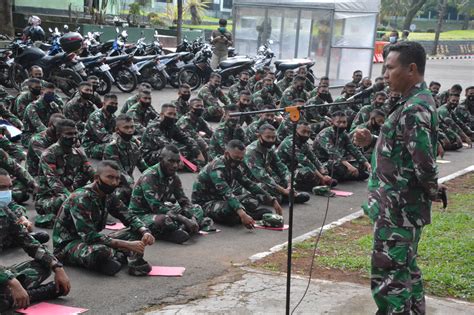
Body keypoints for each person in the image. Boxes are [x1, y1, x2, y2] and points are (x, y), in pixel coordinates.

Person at [353, 41, 442, 315]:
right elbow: (405, 150)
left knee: (389, 275)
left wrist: (431, 189)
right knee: (405, 269)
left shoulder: (414, 108)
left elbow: (424, 163)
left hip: (398, 211)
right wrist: (373, 142)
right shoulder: (412, 103)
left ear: (411, 69)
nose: (385, 75)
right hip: (401, 208)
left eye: (390, 68)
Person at [53, 161, 156, 276]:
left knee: (136, 233)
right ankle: (118, 256)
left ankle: (126, 260)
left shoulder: (108, 195)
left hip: (93, 240)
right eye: (110, 177)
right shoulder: (80, 198)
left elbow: (129, 216)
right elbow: (89, 236)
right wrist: (127, 245)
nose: (114, 182)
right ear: (97, 178)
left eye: (117, 179)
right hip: (68, 245)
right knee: (101, 251)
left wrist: (144, 231)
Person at [0, 169, 71, 313]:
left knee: (43, 265)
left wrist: (57, 267)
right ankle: (34, 294)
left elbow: (29, 242)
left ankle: (14, 295)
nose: (6, 192)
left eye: (9, 187)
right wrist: (12, 281)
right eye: (1, 188)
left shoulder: (4, 211)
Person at [130, 145, 212, 244]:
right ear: (161, 160)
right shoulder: (150, 176)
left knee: (197, 208)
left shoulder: (174, 176)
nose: (175, 165)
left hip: (164, 209)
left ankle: (180, 229)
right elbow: (156, 207)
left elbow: (183, 201)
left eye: (177, 162)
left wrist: (193, 217)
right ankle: (175, 231)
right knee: (164, 220)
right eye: (171, 161)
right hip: (142, 214)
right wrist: (185, 219)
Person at [192, 140, 283, 228]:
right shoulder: (216, 168)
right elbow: (226, 193)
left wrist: (272, 199)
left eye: (241, 158)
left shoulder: (233, 165)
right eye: (236, 158)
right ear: (227, 154)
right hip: (205, 203)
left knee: (252, 200)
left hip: (221, 199)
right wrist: (242, 214)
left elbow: (249, 184)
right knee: (229, 210)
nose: (239, 160)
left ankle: (244, 216)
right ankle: (243, 216)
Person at [35, 119, 94, 228]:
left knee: (90, 196)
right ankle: (46, 219)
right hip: (48, 199)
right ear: (58, 135)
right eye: (69, 134)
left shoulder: (78, 153)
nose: (73, 136)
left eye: (75, 133)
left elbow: (91, 172)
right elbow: (54, 182)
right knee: (67, 201)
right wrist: (73, 197)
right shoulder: (49, 154)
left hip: (70, 191)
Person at [244, 124, 310, 203]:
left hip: (263, 178)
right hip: (247, 181)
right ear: (259, 136)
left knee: (284, 180)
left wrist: (289, 184)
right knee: (266, 187)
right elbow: (262, 176)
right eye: (268, 137)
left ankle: (286, 196)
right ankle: (283, 197)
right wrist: (283, 190)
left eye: (273, 137)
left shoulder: (269, 148)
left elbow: (281, 166)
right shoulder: (251, 152)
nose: (271, 140)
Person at [276, 122, 336, 193]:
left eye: (308, 132)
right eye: (303, 132)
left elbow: (313, 158)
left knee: (322, 170)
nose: (306, 135)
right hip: (282, 172)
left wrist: (323, 172)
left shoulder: (303, 143)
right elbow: (305, 161)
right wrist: (322, 177)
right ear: (296, 131)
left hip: (293, 168)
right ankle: (314, 186)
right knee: (307, 172)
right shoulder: (289, 143)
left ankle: (318, 182)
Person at [103, 114, 148, 204]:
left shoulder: (134, 146)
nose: (130, 130)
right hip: (114, 186)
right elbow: (120, 172)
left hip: (129, 185)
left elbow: (144, 167)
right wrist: (135, 187)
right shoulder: (111, 147)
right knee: (121, 198)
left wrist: (156, 176)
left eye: (132, 127)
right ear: (117, 130)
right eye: (126, 127)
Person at [141, 103, 204, 168]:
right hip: (148, 156)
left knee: (189, 147)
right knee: (168, 153)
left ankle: (182, 164)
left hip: (163, 149)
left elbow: (185, 138)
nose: (172, 116)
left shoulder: (171, 124)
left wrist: (198, 152)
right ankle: (179, 165)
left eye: (174, 114)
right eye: (169, 114)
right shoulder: (153, 127)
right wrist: (179, 158)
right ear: (162, 115)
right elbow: (167, 145)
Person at [313, 111, 371, 181]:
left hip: (339, 160)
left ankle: (347, 174)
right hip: (323, 162)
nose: (342, 125)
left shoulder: (343, 134)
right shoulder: (324, 134)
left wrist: (367, 164)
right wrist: (349, 166)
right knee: (337, 165)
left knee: (362, 163)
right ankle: (346, 175)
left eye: (344, 122)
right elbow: (333, 153)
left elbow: (353, 149)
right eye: (339, 122)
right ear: (332, 123)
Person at [21, 82, 63, 147]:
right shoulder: (32, 107)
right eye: (48, 93)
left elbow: (62, 120)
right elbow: (39, 126)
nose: (51, 95)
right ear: (42, 92)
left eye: (52, 93)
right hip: (30, 135)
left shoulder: (53, 105)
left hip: (47, 133)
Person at [26, 113, 65, 177]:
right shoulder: (37, 140)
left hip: (56, 170)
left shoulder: (60, 137)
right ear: (49, 125)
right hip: (37, 174)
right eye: (56, 127)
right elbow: (47, 160)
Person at [82, 94, 118, 159]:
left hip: (103, 143)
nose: (114, 106)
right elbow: (104, 137)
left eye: (116, 104)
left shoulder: (112, 116)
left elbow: (118, 131)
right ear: (104, 103)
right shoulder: (96, 116)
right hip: (91, 146)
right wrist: (119, 142)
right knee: (114, 147)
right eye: (111, 103)